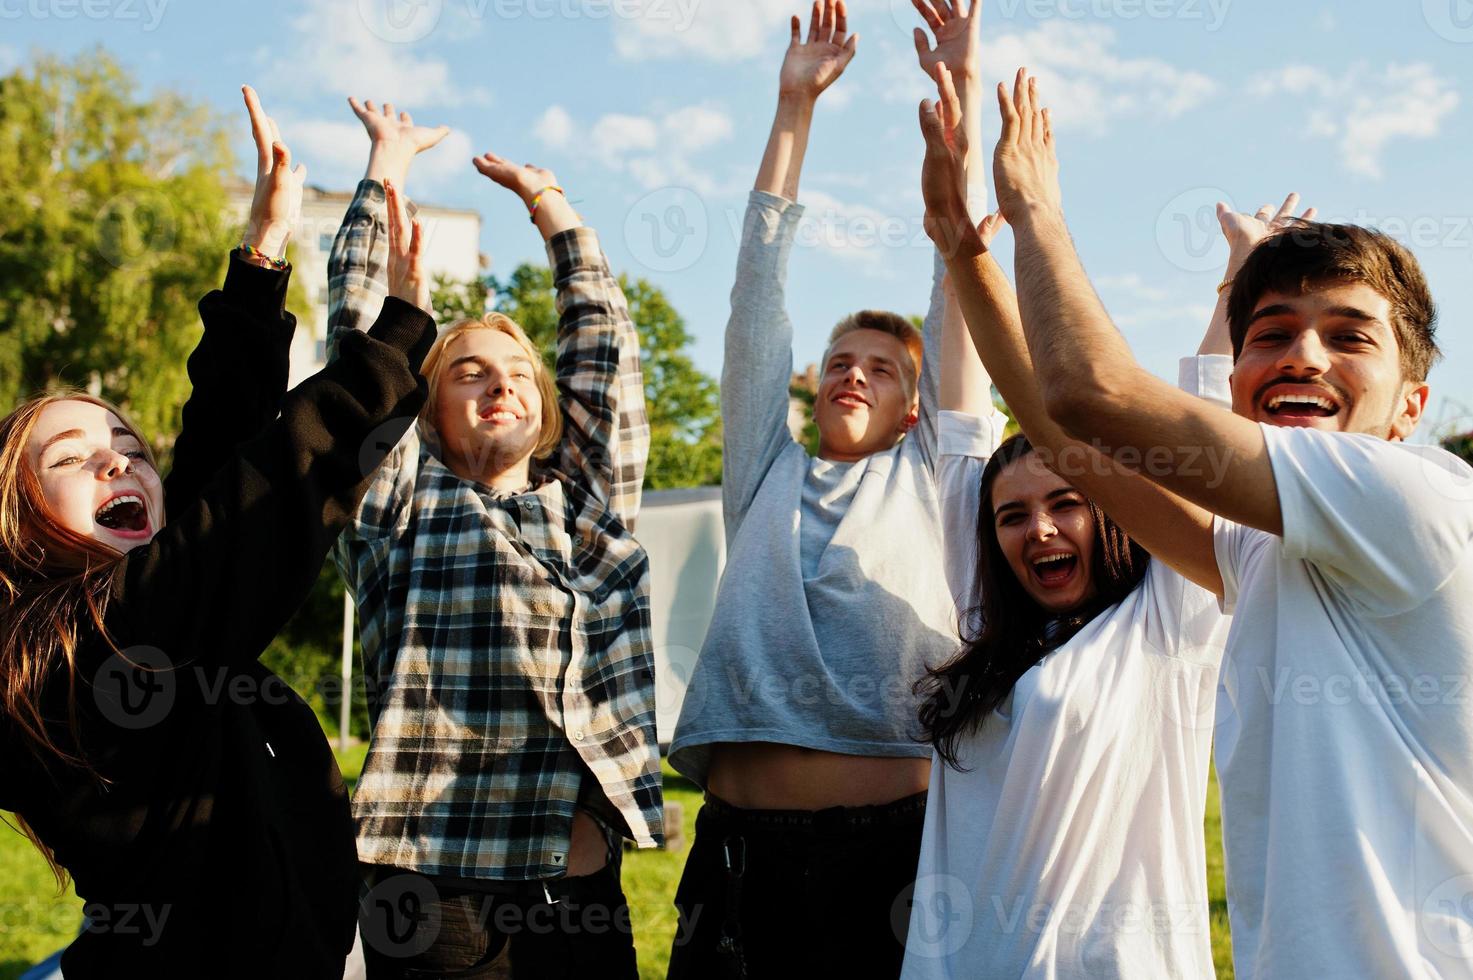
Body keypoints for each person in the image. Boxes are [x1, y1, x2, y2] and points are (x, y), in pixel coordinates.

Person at [921, 51, 1473, 978]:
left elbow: (1092, 393)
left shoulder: (1413, 495)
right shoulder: (1264, 550)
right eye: (1271, 334)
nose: (1301, 355)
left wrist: (1033, 210)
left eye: (1348, 336)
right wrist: (961, 248)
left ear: (1411, 406)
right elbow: (1067, 442)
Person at [0, 87, 435, 978]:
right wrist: (390, 348)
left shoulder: (148, 616)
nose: (119, 462)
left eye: (127, 445)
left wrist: (259, 256)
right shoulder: (71, 648)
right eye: (74, 458)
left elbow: (214, 473)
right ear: (16, 518)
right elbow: (249, 505)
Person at [666, 3, 1001, 975]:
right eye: (839, 360)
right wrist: (792, 109)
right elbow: (756, 294)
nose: (856, 372)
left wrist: (961, 97)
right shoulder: (763, 474)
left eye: (882, 367)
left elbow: (959, 296)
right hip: (736, 858)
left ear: (912, 407)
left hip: (889, 861)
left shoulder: (933, 476)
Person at [328, 98, 660, 980]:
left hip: (577, 894)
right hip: (431, 896)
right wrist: (386, 169)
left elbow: (603, 353)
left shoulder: (587, 510)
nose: (498, 384)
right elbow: (358, 348)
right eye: (468, 372)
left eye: (517, 373)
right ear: (429, 409)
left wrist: (550, 205)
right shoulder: (401, 507)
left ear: (545, 406)